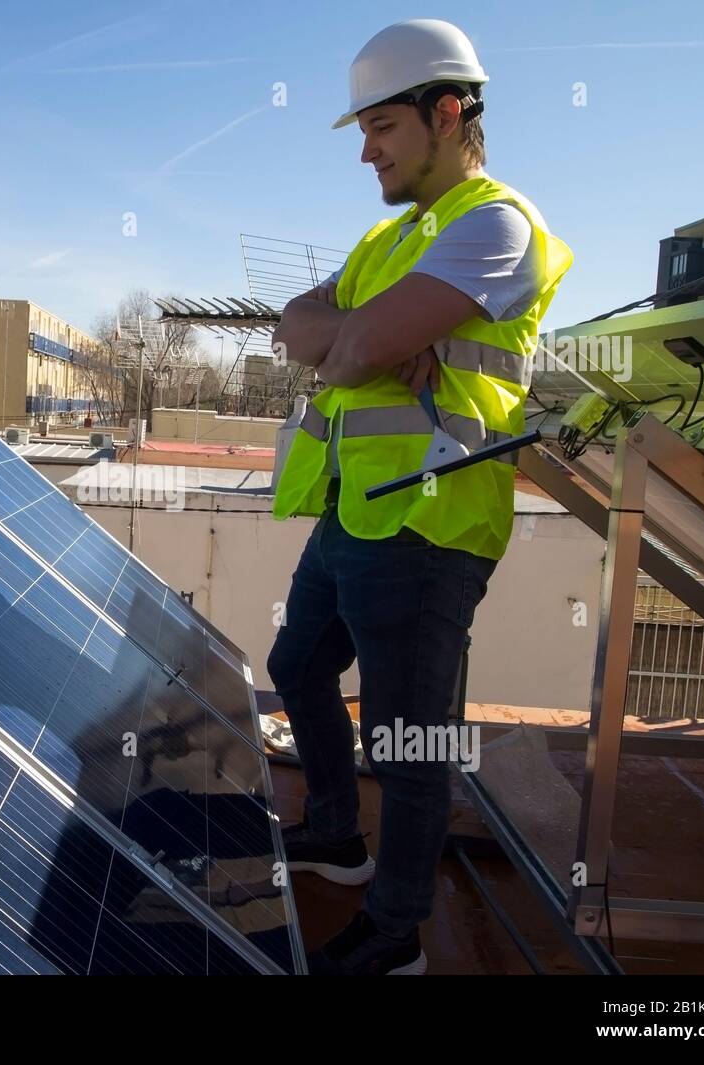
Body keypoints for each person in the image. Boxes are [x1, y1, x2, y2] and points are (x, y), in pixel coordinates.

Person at [267, 18, 574, 975]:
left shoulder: (495, 224)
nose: (366, 150)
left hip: (432, 523)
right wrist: (362, 332)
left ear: (447, 113)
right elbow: (296, 325)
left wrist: (353, 335)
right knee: (297, 667)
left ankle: (396, 935)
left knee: (408, 737)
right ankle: (336, 836)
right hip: (357, 507)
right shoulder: (389, 238)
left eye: (383, 127)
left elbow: (343, 346)